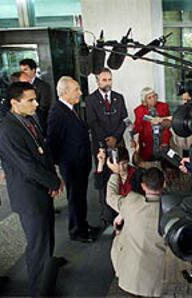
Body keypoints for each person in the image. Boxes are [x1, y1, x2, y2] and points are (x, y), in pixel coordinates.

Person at [0, 81, 63, 296]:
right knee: (37, 245)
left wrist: (53, 178)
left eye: (36, 99)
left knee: (46, 238)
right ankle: (39, 290)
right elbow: (28, 166)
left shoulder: (29, 120)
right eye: (30, 100)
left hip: (41, 190)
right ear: (15, 103)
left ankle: (47, 274)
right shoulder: (7, 130)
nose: (36, 104)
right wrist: (54, 182)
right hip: (29, 196)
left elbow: (44, 153)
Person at [47, 76, 96, 243]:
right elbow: (53, 142)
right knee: (75, 199)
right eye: (76, 89)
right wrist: (58, 168)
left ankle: (82, 225)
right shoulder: (57, 112)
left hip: (80, 164)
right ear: (65, 92)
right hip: (71, 166)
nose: (80, 92)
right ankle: (76, 231)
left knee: (80, 197)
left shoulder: (70, 108)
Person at [106, 166, 166, 297]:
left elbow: (110, 197)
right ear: (164, 184)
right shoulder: (170, 212)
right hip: (154, 281)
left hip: (128, 274)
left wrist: (115, 174)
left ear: (143, 186)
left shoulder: (131, 201)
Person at [86, 68, 128, 226]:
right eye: (104, 80)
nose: (107, 83)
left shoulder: (119, 97)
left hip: (118, 143)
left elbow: (124, 120)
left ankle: (122, 209)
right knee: (103, 178)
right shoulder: (90, 100)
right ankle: (106, 213)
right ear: (97, 81)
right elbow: (92, 122)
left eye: (109, 79)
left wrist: (116, 137)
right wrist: (106, 140)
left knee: (122, 174)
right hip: (101, 146)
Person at [133, 87, 171, 161]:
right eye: (149, 97)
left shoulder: (164, 106)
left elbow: (168, 125)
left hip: (163, 140)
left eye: (154, 96)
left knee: (164, 161)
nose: (153, 99)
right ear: (144, 100)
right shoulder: (139, 110)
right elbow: (138, 128)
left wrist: (165, 141)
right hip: (147, 142)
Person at [19, 58, 53, 133]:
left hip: (40, 123)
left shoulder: (43, 86)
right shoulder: (20, 86)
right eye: (21, 70)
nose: (23, 73)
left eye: (25, 70)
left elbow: (44, 107)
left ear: (33, 70)